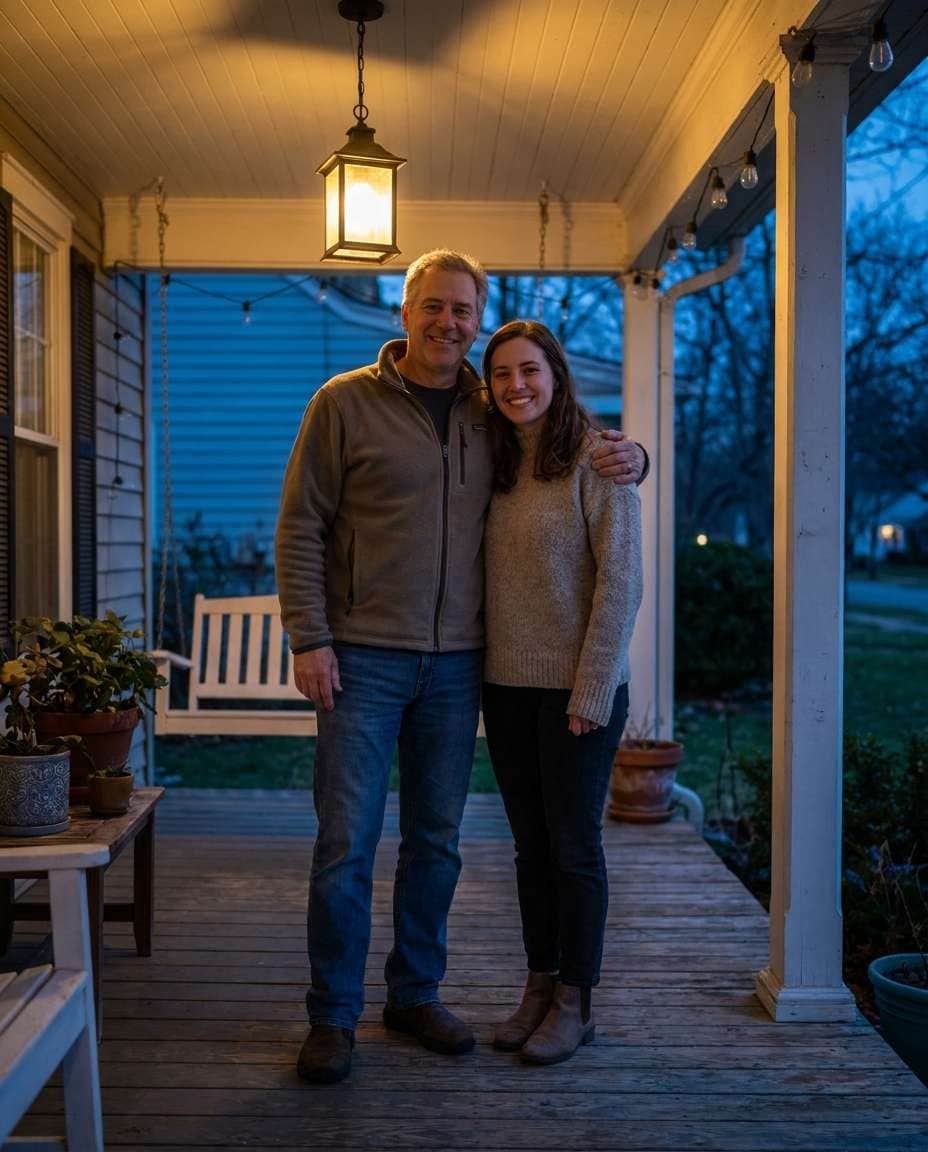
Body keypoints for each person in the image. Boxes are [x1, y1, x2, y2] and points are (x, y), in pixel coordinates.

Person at [275, 250, 646, 1084]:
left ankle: (415, 992)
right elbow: (300, 525)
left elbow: (582, 453)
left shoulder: (492, 414)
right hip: (362, 659)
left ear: (478, 320)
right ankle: (333, 1015)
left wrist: (636, 458)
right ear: (404, 312)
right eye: (433, 307)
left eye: (463, 311)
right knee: (345, 842)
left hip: (456, 669)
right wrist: (310, 636)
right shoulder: (342, 404)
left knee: (436, 843)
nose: (448, 323)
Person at [480, 320, 643, 1065]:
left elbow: (621, 583)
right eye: (503, 373)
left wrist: (592, 689)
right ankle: (538, 986)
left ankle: (578, 1001)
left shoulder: (598, 460)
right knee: (529, 848)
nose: (517, 385)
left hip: (578, 691)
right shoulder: (492, 461)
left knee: (573, 849)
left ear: (557, 375)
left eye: (530, 370)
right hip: (505, 689)